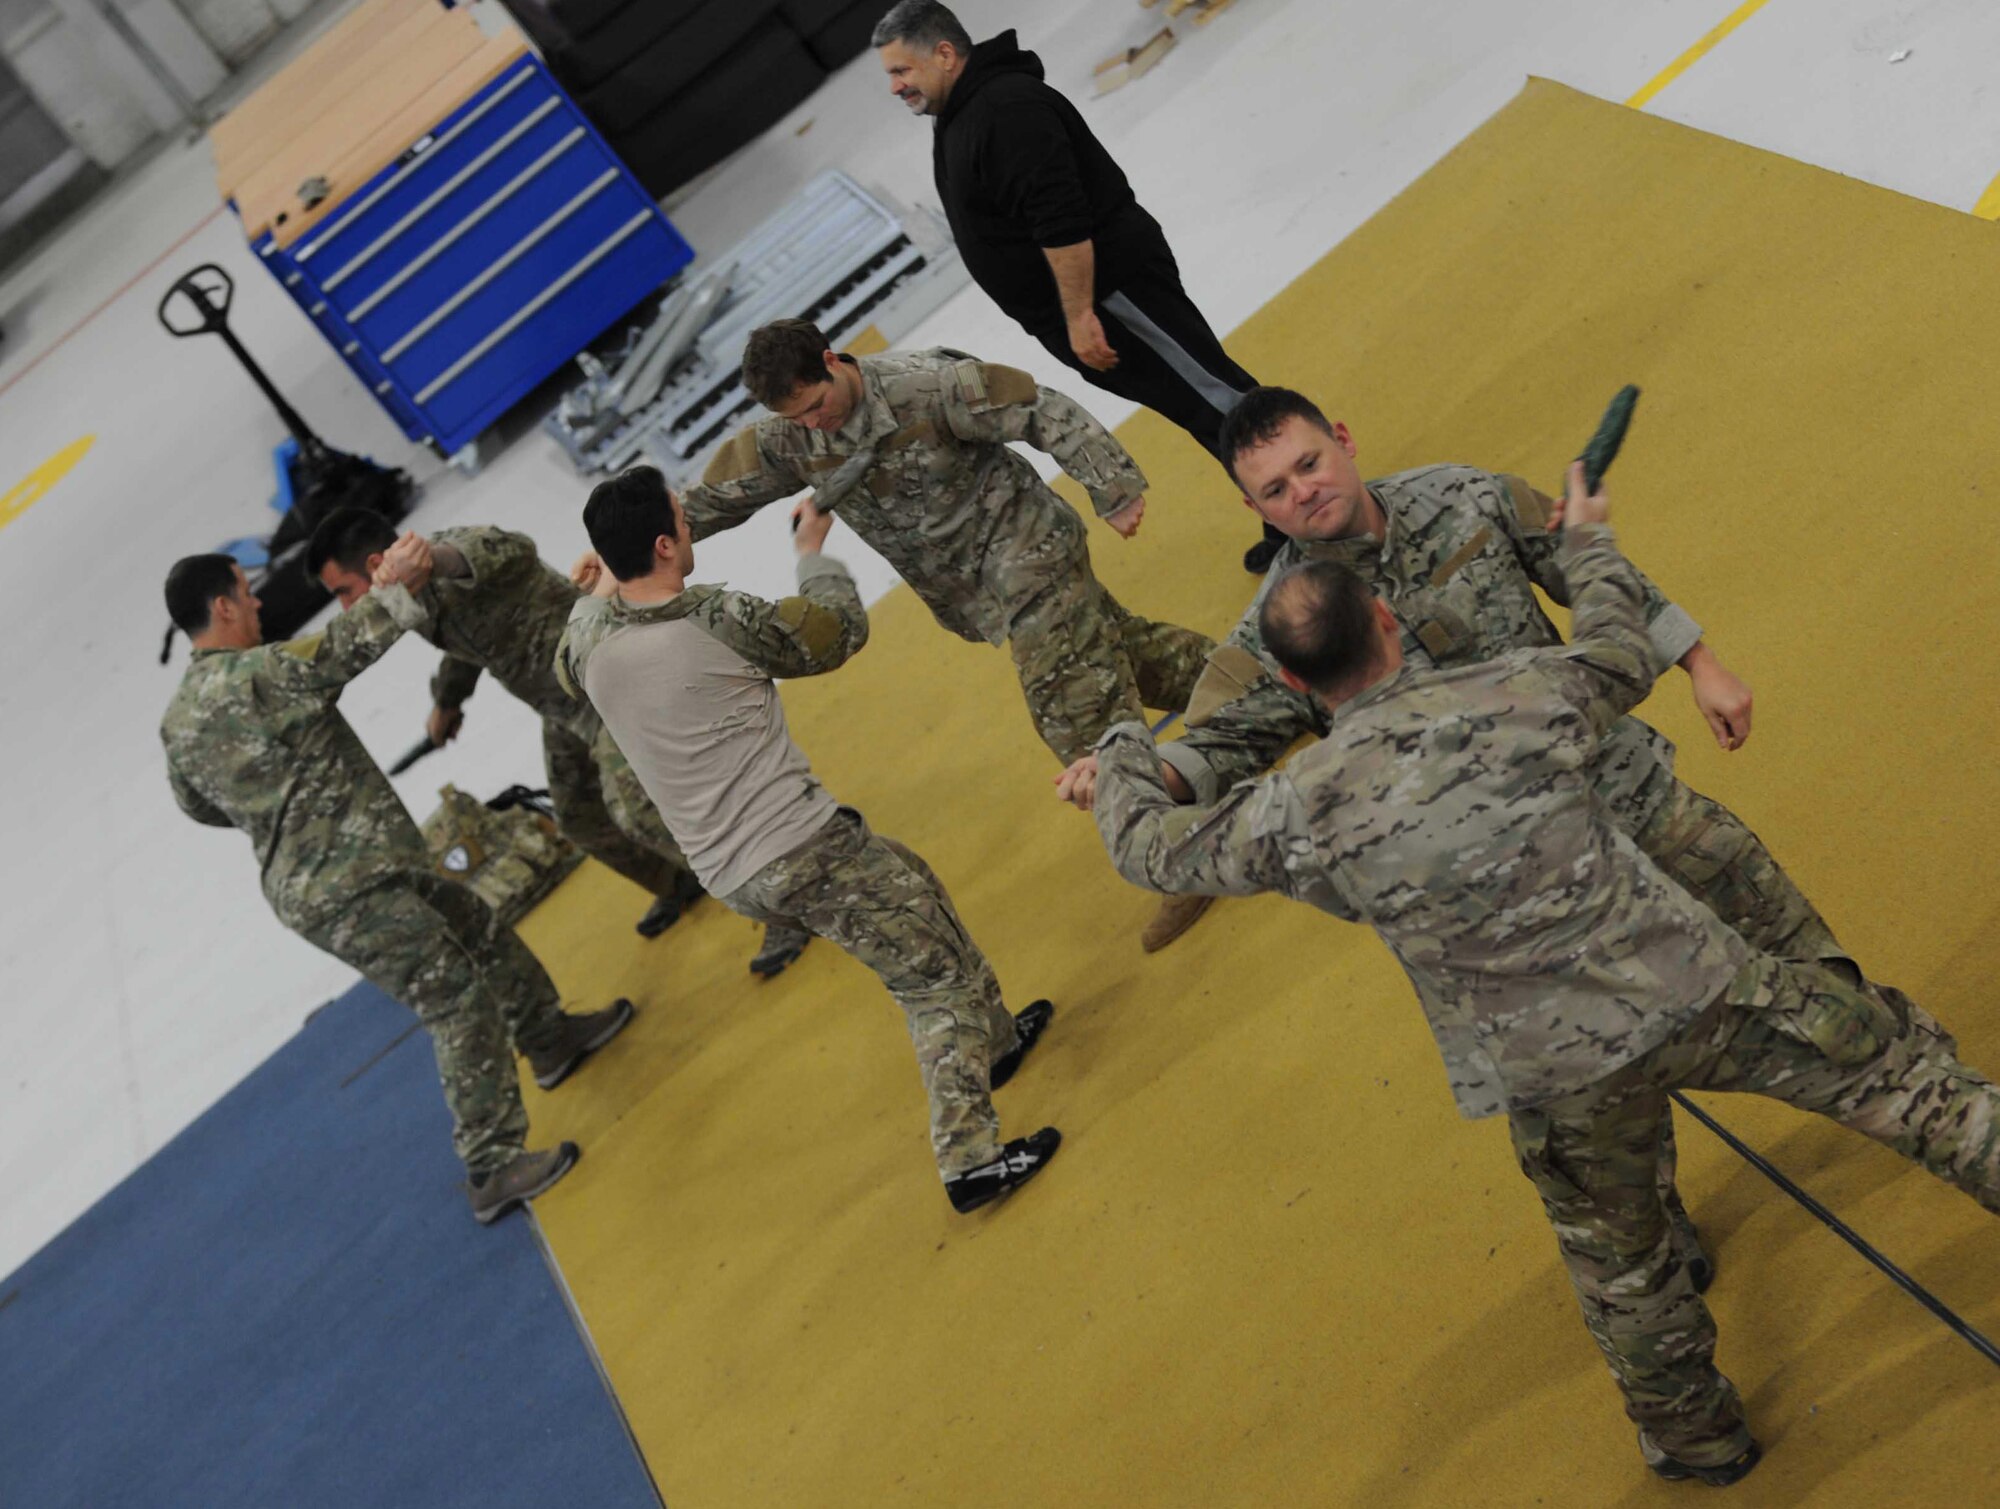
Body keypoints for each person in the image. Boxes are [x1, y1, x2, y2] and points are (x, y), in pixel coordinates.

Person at [1079, 465, 2000, 1484]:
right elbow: (1615, 646)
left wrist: (1115, 753)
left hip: (1550, 1075)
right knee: (1907, 1089)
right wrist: (1589, 541)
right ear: (1387, 620)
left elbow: (1150, 852)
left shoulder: (1296, 807)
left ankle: (1695, 1438)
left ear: (1294, 685)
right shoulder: (1523, 692)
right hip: (1690, 985)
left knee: (1624, 1269)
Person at [1058, 385, 1844, 1278]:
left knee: (1783, 931)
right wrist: (1120, 772)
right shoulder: (1285, 627)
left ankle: (1889, 1056)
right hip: (1508, 889)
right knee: (1589, 1097)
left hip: (1622, 789)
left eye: (1309, 463)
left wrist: (1702, 662)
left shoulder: (1468, 495)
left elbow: (1586, 568)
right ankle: (1654, 1240)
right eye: (1274, 491)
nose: (1302, 494)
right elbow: (1209, 747)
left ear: (1343, 440)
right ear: (1253, 509)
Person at [558, 467, 1059, 1214]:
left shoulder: (590, 644)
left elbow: (579, 633)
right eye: (681, 518)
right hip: (800, 844)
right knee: (929, 982)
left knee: (910, 883)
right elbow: (834, 634)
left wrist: (599, 583)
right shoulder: (714, 617)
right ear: (664, 545)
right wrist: (814, 550)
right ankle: (970, 1158)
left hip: (732, 870)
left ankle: (996, 1038)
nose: (691, 524)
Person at [688, 317, 1217, 952]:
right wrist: (625, 560)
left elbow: (1038, 407)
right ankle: (1259, 686)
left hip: (1028, 553)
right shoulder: (790, 435)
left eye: (816, 405)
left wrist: (1114, 486)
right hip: (973, 591)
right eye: (796, 417)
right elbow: (717, 497)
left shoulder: (926, 385)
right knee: (1126, 654)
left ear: (831, 360)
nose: (812, 425)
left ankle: (1172, 853)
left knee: (1074, 710)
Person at [159, 543, 632, 1225]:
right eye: (246, 590)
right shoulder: (254, 675)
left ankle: (549, 1035)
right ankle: (491, 1162)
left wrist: (267, 805)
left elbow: (197, 804)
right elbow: (338, 653)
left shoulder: (178, 720)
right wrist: (401, 589)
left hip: (362, 864)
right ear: (223, 606)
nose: (259, 601)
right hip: (348, 887)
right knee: (456, 999)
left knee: (479, 929)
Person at [306, 509, 810, 978]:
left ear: (378, 564)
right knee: (579, 816)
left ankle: (784, 904)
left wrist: (431, 561)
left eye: (344, 591)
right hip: (563, 705)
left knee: (643, 810)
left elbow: (508, 549)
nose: (348, 606)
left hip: (604, 681)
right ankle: (677, 881)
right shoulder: (417, 602)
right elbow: (467, 646)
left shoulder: (455, 551)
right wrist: (449, 701)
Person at [872, 0, 1283, 572]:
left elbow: (1061, 221)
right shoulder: (962, 111)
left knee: (1217, 396)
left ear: (944, 54)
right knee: (1199, 408)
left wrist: (1080, 314)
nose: (894, 87)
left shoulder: (1003, 110)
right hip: (1099, 304)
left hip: (1113, 296)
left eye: (901, 71)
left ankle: (1317, 504)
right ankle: (1287, 515)